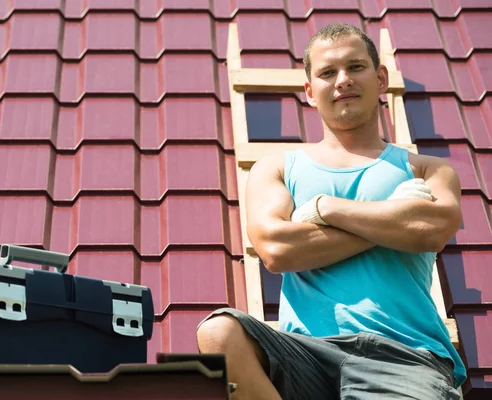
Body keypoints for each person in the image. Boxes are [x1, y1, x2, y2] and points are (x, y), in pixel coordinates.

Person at [196, 23, 466, 399]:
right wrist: (392, 219)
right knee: (218, 332)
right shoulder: (275, 168)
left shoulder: (428, 169)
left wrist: (327, 207)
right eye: (327, 72)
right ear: (310, 91)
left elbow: (431, 229)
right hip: (305, 354)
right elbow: (277, 249)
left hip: (404, 357)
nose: (343, 80)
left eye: (355, 67)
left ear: (381, 78)